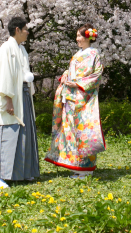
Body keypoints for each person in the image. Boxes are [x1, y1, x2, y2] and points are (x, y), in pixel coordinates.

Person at [45, 24, 105, 178]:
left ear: (88, 37)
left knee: (84, 131)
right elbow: (71, 70)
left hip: (83, 99)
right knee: (70, 132)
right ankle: (75, 166)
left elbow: (96, 75)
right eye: (77, 36)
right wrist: (65, 75)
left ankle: (86, 168)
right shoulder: (78, 53)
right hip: (71, 97)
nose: (77, 39)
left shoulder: (93, 54)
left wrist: (78, 84)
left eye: (80, 36)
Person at [0, 16, 40, 188]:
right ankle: (0, 176)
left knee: (25, 133)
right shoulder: (6, 48)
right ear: (17, 30)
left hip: (24, 95)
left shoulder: (22, 50)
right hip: (12, 97)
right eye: (26, 29)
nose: (28, 32)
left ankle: (23, 172)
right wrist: (8, 100)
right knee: (8, 133)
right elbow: (4, 76)